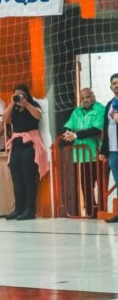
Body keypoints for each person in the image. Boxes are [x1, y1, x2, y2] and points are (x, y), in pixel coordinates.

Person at [2, 84, 48, 221]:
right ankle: (18, 209)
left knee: (28, 178)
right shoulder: (14, 108)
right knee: (16, 179)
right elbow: (4, 118)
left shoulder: (33, 105)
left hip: (29, 144)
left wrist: (26, 103)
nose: (19, 97)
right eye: (16, 94)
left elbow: (38, 115)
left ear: (26, 94)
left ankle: (30, 210)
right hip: (17, 144)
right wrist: (12, 103)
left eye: (21, 94)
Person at [61, 88, 105, 218]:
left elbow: (96, 129)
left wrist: (76, 135)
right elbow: (69, 125)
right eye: (83, 98)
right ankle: (92, 211)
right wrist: (68, 133)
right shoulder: (77, 111)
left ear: (93, 96)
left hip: (97, 153)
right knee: (86, 185)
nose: (85, 100)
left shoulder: (100, 109)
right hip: (81, 155)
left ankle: (102, 209)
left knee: (101, 185)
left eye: (88, 97)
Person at [101, 74, 118, 223]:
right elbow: (105, 129)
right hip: (113, 151)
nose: (116, 85)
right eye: (114, 83)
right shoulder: (109, 105)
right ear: (111, 87)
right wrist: (103, 151)